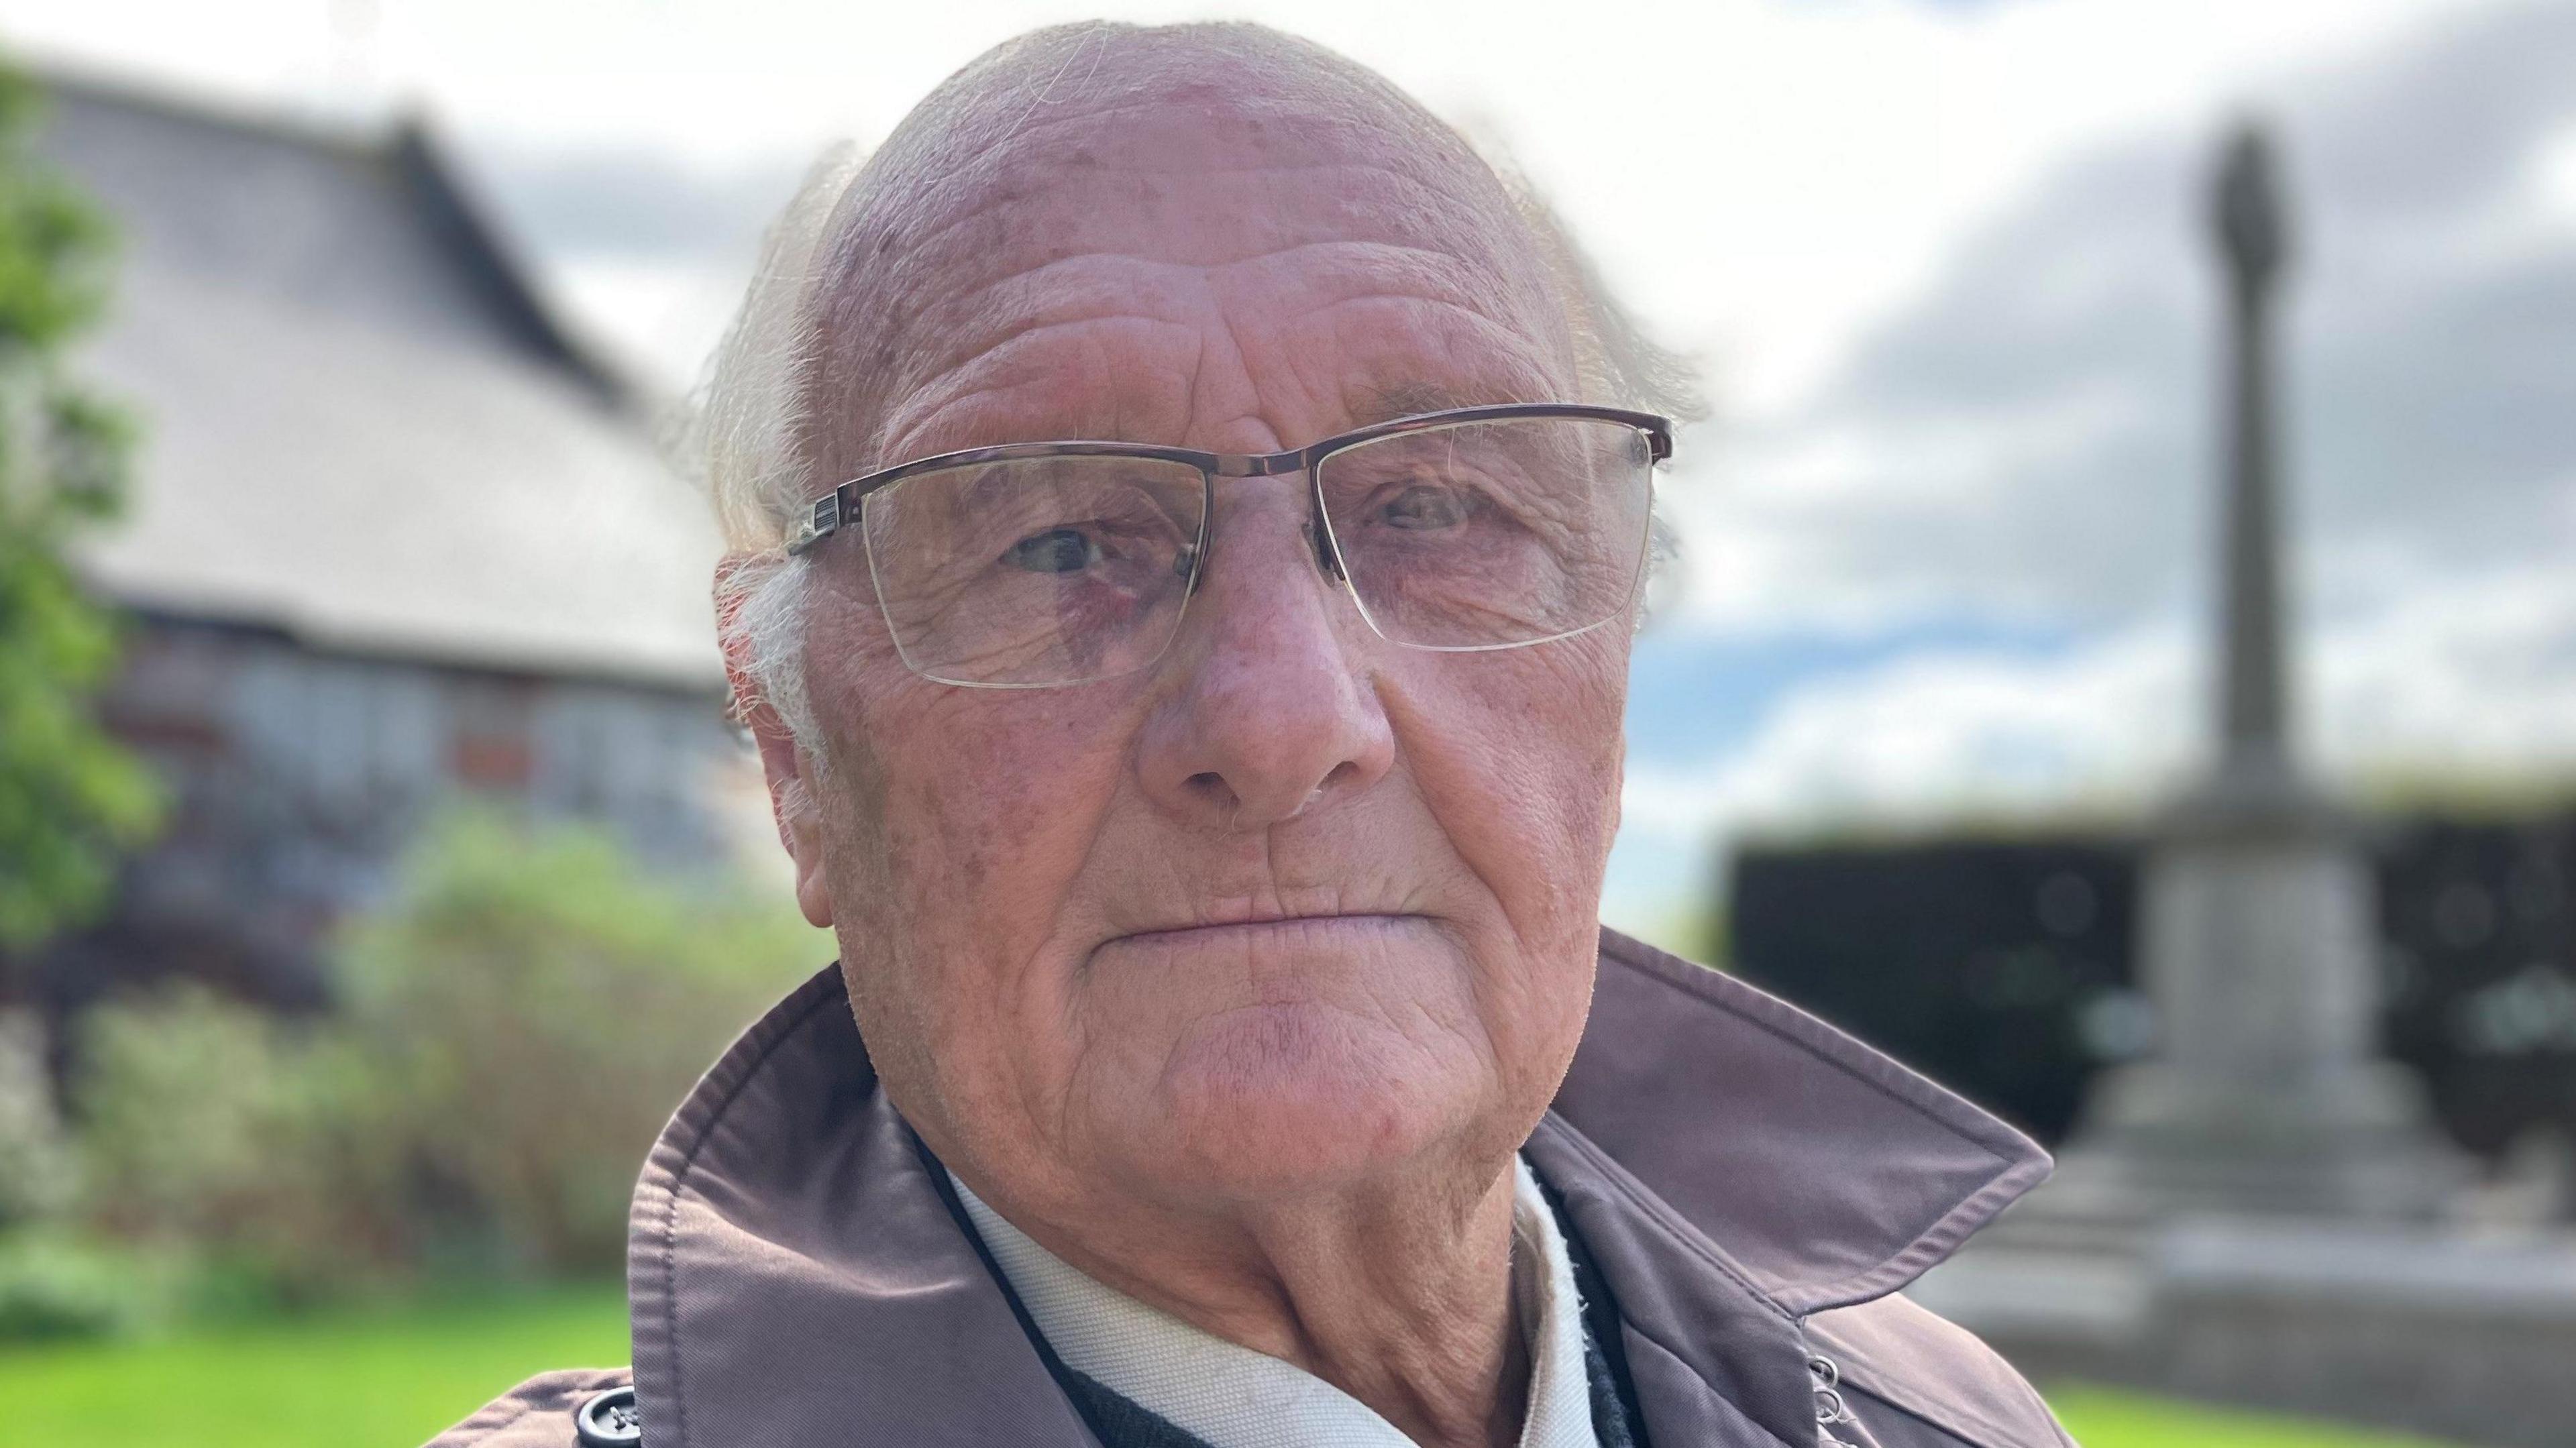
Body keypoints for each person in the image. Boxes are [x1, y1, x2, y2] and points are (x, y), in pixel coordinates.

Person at [435, 21, 2071, 1448]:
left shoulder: (1950, 1422)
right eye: (1060, 543)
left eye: (1436, 507)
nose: (1285, 723)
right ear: (795, 756)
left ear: (1609, 697)